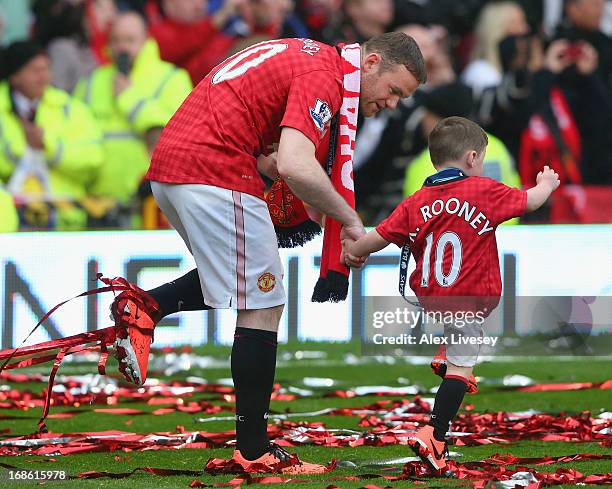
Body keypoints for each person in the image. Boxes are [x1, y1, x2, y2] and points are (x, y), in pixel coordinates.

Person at [109, 32, 426, 473]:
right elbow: (296, 164)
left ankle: (146, 305)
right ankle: (254, 451)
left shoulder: (312, 56)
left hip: (177, 166)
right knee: (264, 300)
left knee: (244, 279)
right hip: (212, 169)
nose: (392, 104)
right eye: (394, 91)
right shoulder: (326, 75)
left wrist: (272, 165)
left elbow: (269, 145)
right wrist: (350, 220)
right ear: (371, 63)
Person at [342, 117, 560, 475]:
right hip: (469, 299)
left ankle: (448, 361)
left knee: (457, 349)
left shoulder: (417, 201)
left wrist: (353, 252)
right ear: (473, 157)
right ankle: (434, 433)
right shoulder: (483, 190)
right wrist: (546, 184)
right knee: (463, 369)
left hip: (432, 298)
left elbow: (377, 236)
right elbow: (531, 202)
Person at [74, 12, 192, 212]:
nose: (122, 47)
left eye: (130, 40)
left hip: (152, 198)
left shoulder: (173, 78)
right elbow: (76, 130)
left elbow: (179, 133)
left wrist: (128, 99)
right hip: (98, 199)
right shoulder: (93, 81)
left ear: (146, 40)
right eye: (116, 40)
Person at [0, 40, 103, 230]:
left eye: (46, 68)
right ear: (14, 76)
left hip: (65, 220)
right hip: (9, 222)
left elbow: (93, 158)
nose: (43, 76)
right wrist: (23, 148)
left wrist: (49, 146)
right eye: (34, 70)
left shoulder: (70, 108)